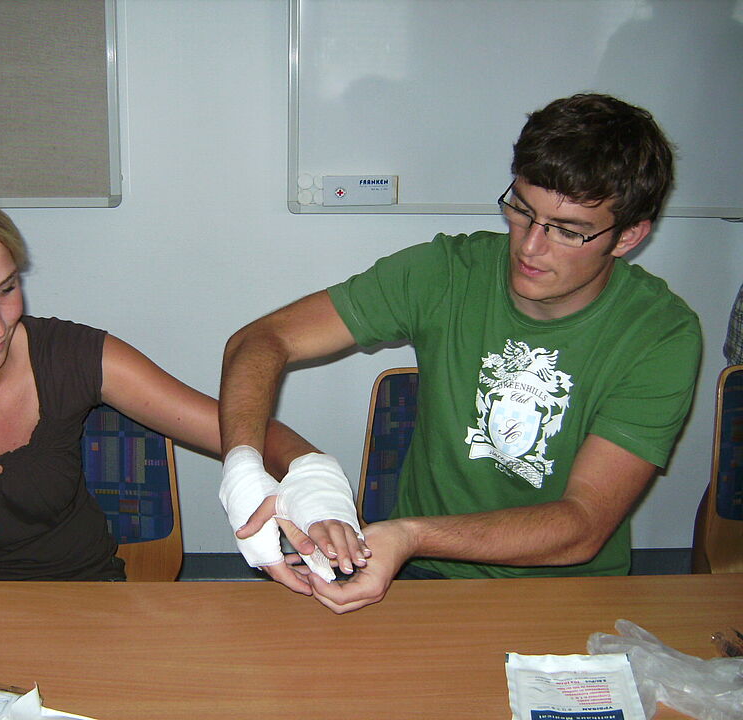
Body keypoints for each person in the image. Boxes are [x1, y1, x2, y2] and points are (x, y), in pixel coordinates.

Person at [219, 93, 702, 613]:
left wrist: (411, 535)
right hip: (427, 571)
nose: (530, 246)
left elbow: (583, 524)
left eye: (567, 231)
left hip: (567, 583)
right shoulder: (447, 273)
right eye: (522, 210)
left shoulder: (659, 333)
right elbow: (261, 340)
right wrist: (243, 467)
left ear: (627, 236)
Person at [0, 171, 332, 601]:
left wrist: (313, 485)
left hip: (88, 604)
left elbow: (245, 429)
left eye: (5, 290)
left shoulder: (72, 355)